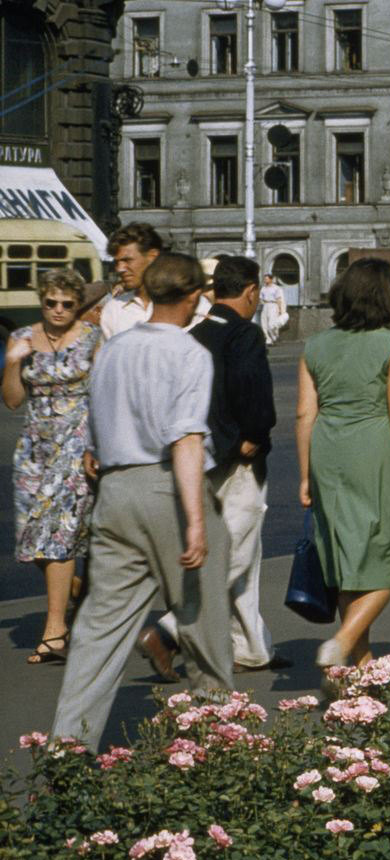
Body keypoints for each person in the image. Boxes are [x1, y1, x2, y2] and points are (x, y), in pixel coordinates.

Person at [51, 254, 226, 750]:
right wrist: (195, 521)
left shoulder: (113, 348)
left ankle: (69, 743)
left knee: (101, 626)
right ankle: (217, 739)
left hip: (115, 489)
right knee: (202, 614)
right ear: (193, 296)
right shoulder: (189, 352)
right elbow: (186, 438)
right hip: (166, 486)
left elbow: (95, 419)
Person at [141, 256, 278, 679]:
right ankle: (168, 631)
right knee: (234, 551)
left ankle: (252, 648)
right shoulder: (245, 334)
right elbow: (252, 390)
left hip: (199, 455)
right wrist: (254, 435)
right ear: (252, 291)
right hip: (238, 457)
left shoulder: (194, 333)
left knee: (244, 554)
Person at [299, 258, 390, 681]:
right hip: (375, 447)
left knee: (345, 558)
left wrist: (306, 474)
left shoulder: (316, 345)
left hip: (328, 449)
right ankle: (343, 642)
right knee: (384, 561)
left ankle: (361, 669)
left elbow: (303, 414)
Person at [6, 269, 100, 665]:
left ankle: (55, 632)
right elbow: (11, 401)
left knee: (57, 534)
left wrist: (96, 445)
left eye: (67, 304)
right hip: (33, 447)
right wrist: (13, 364)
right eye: (51, 303)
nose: (59, 310)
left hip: (75, 443)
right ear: (41, 300)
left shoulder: (93, 338)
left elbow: (104, 393)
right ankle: (74, 588)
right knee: (32, 537)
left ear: (78, 305)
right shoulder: (21, 338)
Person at [95, 223, 168, 339]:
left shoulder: (182, 306)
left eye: (127, 260)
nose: (120, 269)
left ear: (152, 257)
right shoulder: (114, 309)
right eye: (117, 262)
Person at [258, 273, 289, 345]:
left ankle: (275, 337)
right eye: (264, 279)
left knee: (271, 324)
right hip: (265, 305)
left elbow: (279, 299)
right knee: (264, 323)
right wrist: (263, 302)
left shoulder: (276, 288)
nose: (265, 280)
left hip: (273, 305)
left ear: (271, 279)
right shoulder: (263, 288)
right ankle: (268, 340)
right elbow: (261, 298)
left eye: (267, 278)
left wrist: (280, 310)